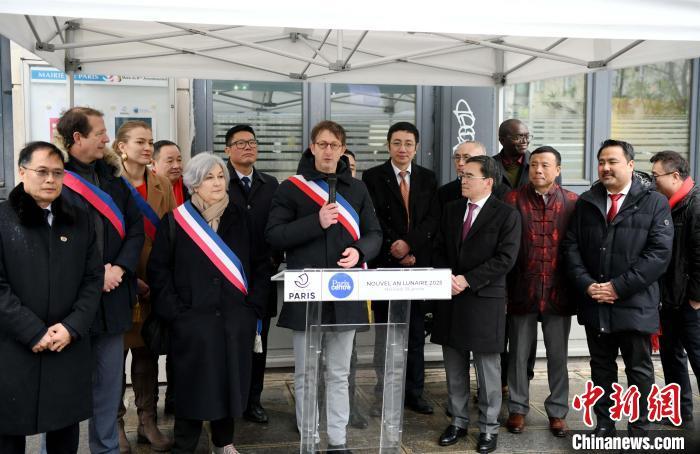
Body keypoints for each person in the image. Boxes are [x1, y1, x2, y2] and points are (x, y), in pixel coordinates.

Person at [266, 121, 382, 452]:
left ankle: (337, 441)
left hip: (346, 291)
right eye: (322, 144)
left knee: (339, 373)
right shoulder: (291, 188)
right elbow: (274, 235)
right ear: (312, 147)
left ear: (342, 150)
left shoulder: (357, 189)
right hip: (308, 293)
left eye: (334, 145)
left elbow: (375, 233)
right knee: (306, 374)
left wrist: (360, 251)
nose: (328, 150)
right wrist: (315, 222)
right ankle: (309, 439)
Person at [148, 153, 268, 454]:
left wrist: (251, 309)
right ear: (193, 184)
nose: (216, 182)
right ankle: (185, 446)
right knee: (190, 386)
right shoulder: (176, 221)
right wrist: (176, 314)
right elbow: (159, 272)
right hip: (191, 321)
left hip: (234, 319)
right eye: (208, 177)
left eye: (220, 176)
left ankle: (224, 442)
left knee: (229, 382)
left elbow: (262, 265)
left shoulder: (243, 218)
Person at [563, 139, 673, 437]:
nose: (606, 167)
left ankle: (640, 427)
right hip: (595, 301)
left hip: (634, 302)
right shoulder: (587, 202)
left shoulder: (654, 202)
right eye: (601, 162)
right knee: (601, 367)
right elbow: (571, 248)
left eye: (612, 161)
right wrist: (588, 285)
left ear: (630, 165)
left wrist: (617, 287)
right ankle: (604, 424)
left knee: (639, 370)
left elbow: (658, 255)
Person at [0, 142, 103, 454]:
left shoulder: (79, 219)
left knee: (64, 432)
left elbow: (92, 279)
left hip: (65, 344)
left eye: (57, 173)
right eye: (42, 171)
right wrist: (33, 331)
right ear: (22, 172)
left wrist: (72, 327)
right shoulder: (3, 219)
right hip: (13, 347)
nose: (50, 179)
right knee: (8, 434)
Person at [56, 107, 145, 454]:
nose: (107, 139)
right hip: (72, 304)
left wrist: (119, 268)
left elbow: (135, 228)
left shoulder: (113, 179)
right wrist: (97, 273)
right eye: (100, 133)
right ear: (77, 137)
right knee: (63, 389)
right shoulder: (55, 179)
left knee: (109, 386)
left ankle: (105, 448)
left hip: (113, 298)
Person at [431, 155, 520, 453]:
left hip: (484, 299)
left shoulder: (506, 215)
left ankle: (488, 427)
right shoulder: (452, 209)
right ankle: (457, 422)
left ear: (488, 182)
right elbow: (438, 248)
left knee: (488, 369)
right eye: (462, 175)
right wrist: (447, 276)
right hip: (451, 297)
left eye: (469, 175)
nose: (463, 179)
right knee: (453, 366)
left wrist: (468, 279)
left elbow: (505, 259)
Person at [362, 121, 440, 415]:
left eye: (408, 143)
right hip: (386, 264)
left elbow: (432, 219)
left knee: (416, 333)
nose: (403, 149)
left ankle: (414, 393)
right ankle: (384, 393)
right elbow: (372, 219)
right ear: (388, 145)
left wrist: (410, 246)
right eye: (397, 143)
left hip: (418, 264)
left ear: (416, 147)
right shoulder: (372, 177)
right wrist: (395, 249)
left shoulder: (428, 178)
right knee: (386, 335)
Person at [503, 146, 578, 437]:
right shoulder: (512, 199)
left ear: (557, 170)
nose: (538, 170)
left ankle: (557, 411)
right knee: (518, 354)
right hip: (522, 288)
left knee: (558, 355)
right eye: (534, 165)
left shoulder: (572, 202)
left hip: (559, 291)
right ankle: (517, 408)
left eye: (545, 165)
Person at [114, 121, 176, 452]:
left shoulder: (162, 184)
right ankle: (115, 425)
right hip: (118, 282)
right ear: (121, 147)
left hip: (153, 282)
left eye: (150, 142)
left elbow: (171, 233)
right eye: (140, 142)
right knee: (114, 358)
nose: (147, 147)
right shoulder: (108, 184)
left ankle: (147, 422)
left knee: (147, 355)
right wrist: (127, 277)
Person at [223, 124, 280, 424]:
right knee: (228, 341)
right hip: (227, 277)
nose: (248, 147)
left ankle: (253, 400)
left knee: (260, 341)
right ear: (227, 149)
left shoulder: (270, 184)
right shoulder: (219, 180)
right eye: (240, 143)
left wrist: (274, 259)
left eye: (252, 142)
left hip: (261, 277)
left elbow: (280, 225)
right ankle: (230, 399)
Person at [650, 150, 700, 429]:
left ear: (676, 176)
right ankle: (679, 411)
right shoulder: (669, 205)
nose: (653, 182)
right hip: (669, 298)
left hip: (690, 302)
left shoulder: (695, 205)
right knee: (671, 357)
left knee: (697, 357)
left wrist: (696, 298)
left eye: (656, 176)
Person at [437, 141, 486, 206]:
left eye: (466, 157)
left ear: (482, 160)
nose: (460, 163)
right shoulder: (444, 192)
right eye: (457, 157)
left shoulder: (496, 190)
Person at [153, 140, 187, 205]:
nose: (176, 166)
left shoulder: (190, 187)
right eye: (170, 161)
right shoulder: (145, 188)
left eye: (179, 160)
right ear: (154, 164)